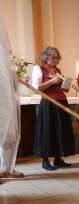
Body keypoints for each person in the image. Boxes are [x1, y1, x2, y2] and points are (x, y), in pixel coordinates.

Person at [32, 47, 74, 170]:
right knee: (48, 131)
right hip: (48, 104)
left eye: (57, 57)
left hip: (61, 102)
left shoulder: (58, 70)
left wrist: (65, 84)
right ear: (46, 57)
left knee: (60, 131)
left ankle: (58, 159)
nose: (56, 60)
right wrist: (52, 82)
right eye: (53, 57)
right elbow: (36, 88)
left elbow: (64, 90)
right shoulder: (38, 69)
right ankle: (45, 161)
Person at [0, 16, 23, 180]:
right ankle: (3, 167)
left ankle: (9, 167)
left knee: (11, 133)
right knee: (3, 131)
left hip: (9, 98)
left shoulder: (6, 58)